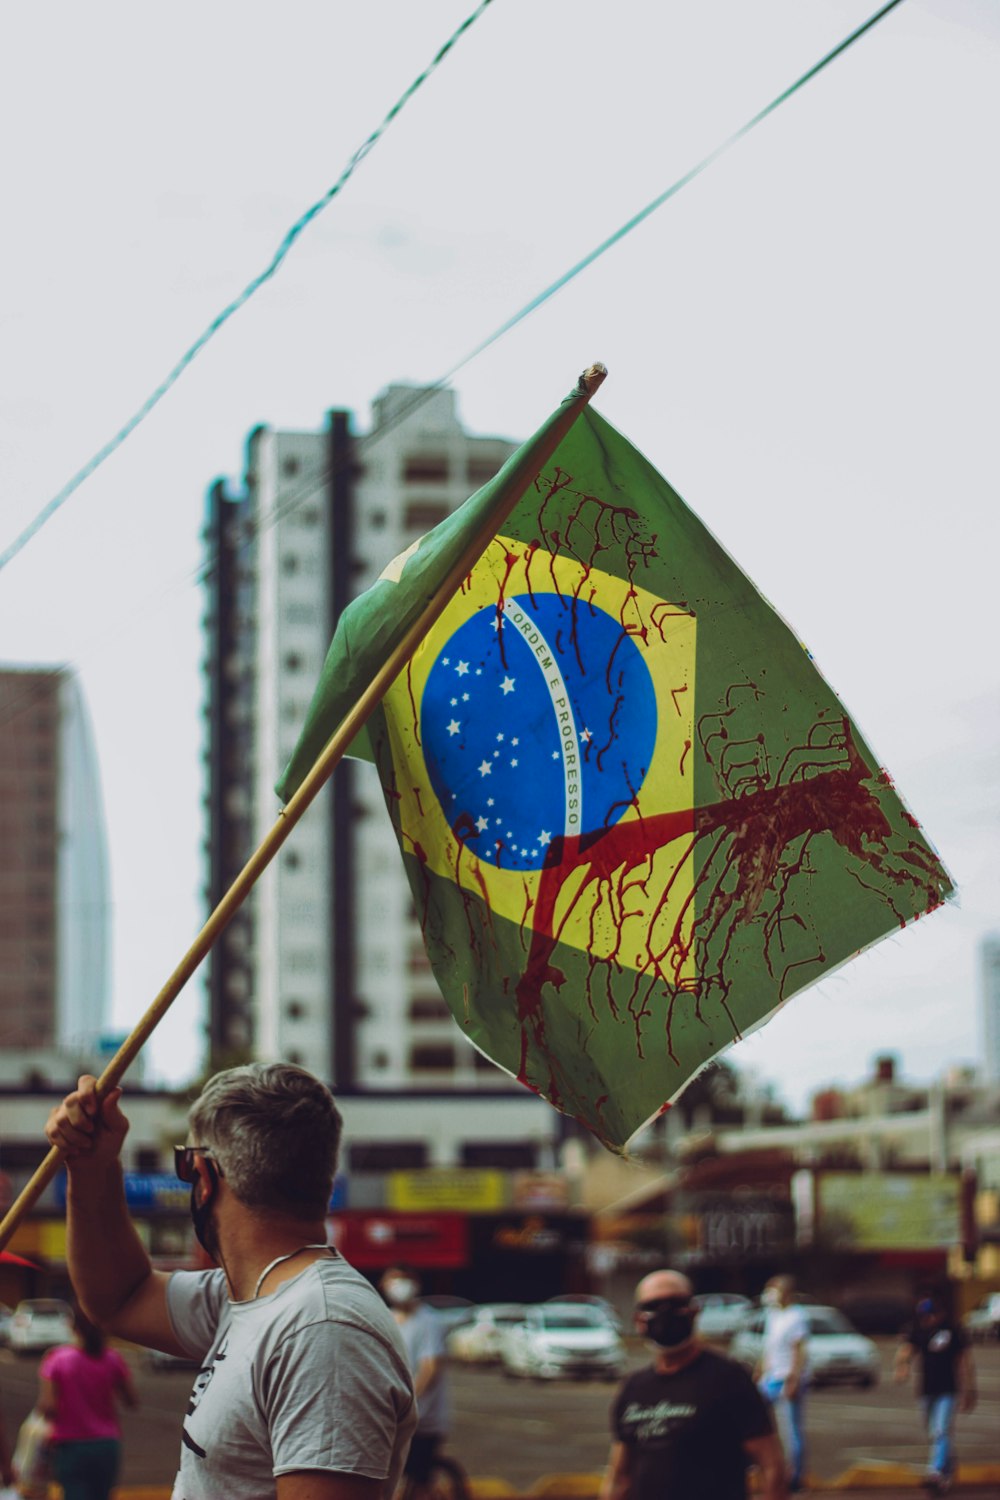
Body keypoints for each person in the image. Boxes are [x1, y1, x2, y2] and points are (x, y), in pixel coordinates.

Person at [45, 1063, 417, 1500]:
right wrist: (92, 1167)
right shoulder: (253, 1298)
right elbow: (119, 1298)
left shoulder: (322, 1328)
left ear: (203, 1176)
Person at [600, 1269, 786, 1500]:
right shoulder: (633, 1388)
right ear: (639, 1321)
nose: (665, 1313)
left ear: (694, 1312)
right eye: (653, 1306)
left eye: (675, 1303)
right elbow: (619, 1477)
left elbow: (771, 1466)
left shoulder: (729, 1378)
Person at [36, 1302, 137, 1500]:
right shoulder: (112, 1358)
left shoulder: (57, 1359)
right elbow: (131, 1400)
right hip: (107, 1444)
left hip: (71, 1445)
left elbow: (47, 1407)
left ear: (74, 1326)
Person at [894, 1294, 976, 1494]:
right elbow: (906, 1351)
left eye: (930, 1315)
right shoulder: (919, 1330)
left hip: (948, 1389)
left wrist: (969, 1390)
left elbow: (964, 1361)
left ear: (939, 1314)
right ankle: (947, 1469)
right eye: (923, 1316)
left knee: (941, 1430)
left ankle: (935, 1472)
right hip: (926, 1390)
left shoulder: (954, 1331)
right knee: (935, 1433)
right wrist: (902, 1367)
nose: (927, 1319)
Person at [380, 1266, 449, 1493]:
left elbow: (430, 1367)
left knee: (419, 1480)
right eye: (393, 1280)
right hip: (393, 1416)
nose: (399, 1285)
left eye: (403, 1279)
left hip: (423, 1417)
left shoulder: (428, 1320)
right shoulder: (387, 1319)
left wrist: (410, 1401)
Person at [756, 1275, 809, 1493]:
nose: (769, 1294)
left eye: (773, 1289)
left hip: (787, 1378)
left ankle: (795, 1477)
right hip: (770, 1378)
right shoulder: (773, 1315)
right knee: (759, 1425)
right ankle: (767, 1470)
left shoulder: (797, 1316)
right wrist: (758, 1373)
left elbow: (799, 1350)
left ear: (785, 1291)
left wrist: (794, 1379)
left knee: (791, 1430)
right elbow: (768, 1348)